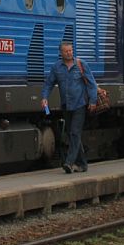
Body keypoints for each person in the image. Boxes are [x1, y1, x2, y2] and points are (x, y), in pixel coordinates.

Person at [41, 41, 97, 173]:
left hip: (80, 104)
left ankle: (69, 162)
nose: (69, 53)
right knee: (72, 134)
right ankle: (82, 164)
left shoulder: (81, 65)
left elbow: (91, 84)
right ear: (61, 52)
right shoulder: (56, 67)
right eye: (66, 51)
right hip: (66, 105)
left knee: (75, 132)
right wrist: (44, 97)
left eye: (71, 50)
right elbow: (49, 84)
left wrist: (93, 101)